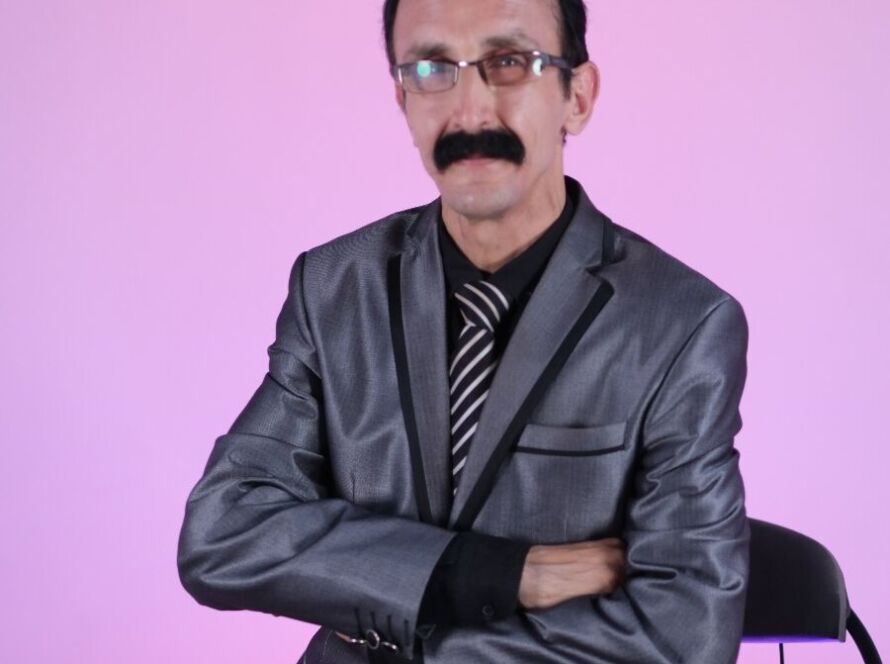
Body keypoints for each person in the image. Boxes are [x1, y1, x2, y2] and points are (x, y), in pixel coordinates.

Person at [177, 0, 750, 662]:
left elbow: (685, 635)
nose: (470, 110)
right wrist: (497, 576)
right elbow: (224, 532)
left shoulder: (680, 323)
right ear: (402, 99)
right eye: (432, 68)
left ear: (578, 97)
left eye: (509, 62)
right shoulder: (334, 286)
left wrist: (400, 613)